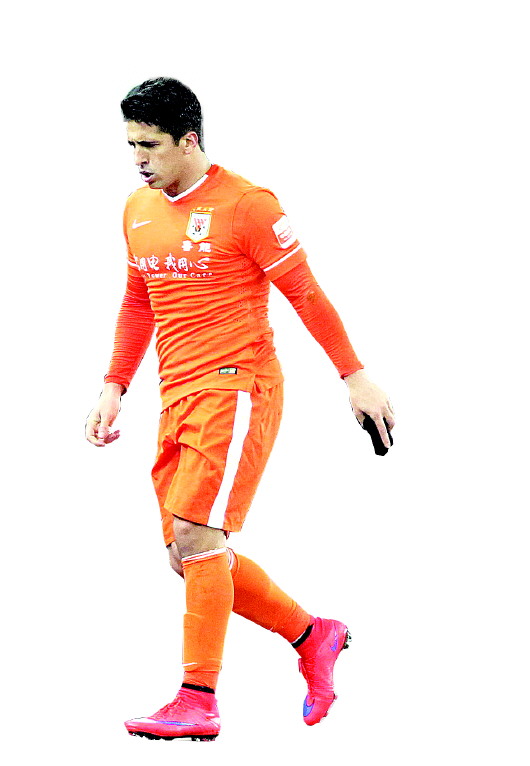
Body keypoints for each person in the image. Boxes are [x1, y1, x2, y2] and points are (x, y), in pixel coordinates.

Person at [85, 77, 395, 742]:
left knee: (199, 538)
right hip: (177, 392)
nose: (138, 159)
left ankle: (198, 699)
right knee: (188, 554)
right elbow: (139, 300)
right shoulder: (137, 208)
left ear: (188, 139)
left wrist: (354, 376)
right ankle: (313, 635)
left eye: (150, 145)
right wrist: (114, 384)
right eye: (131, 145)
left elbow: (304, 292)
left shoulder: (247, 205)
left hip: (237, 387)